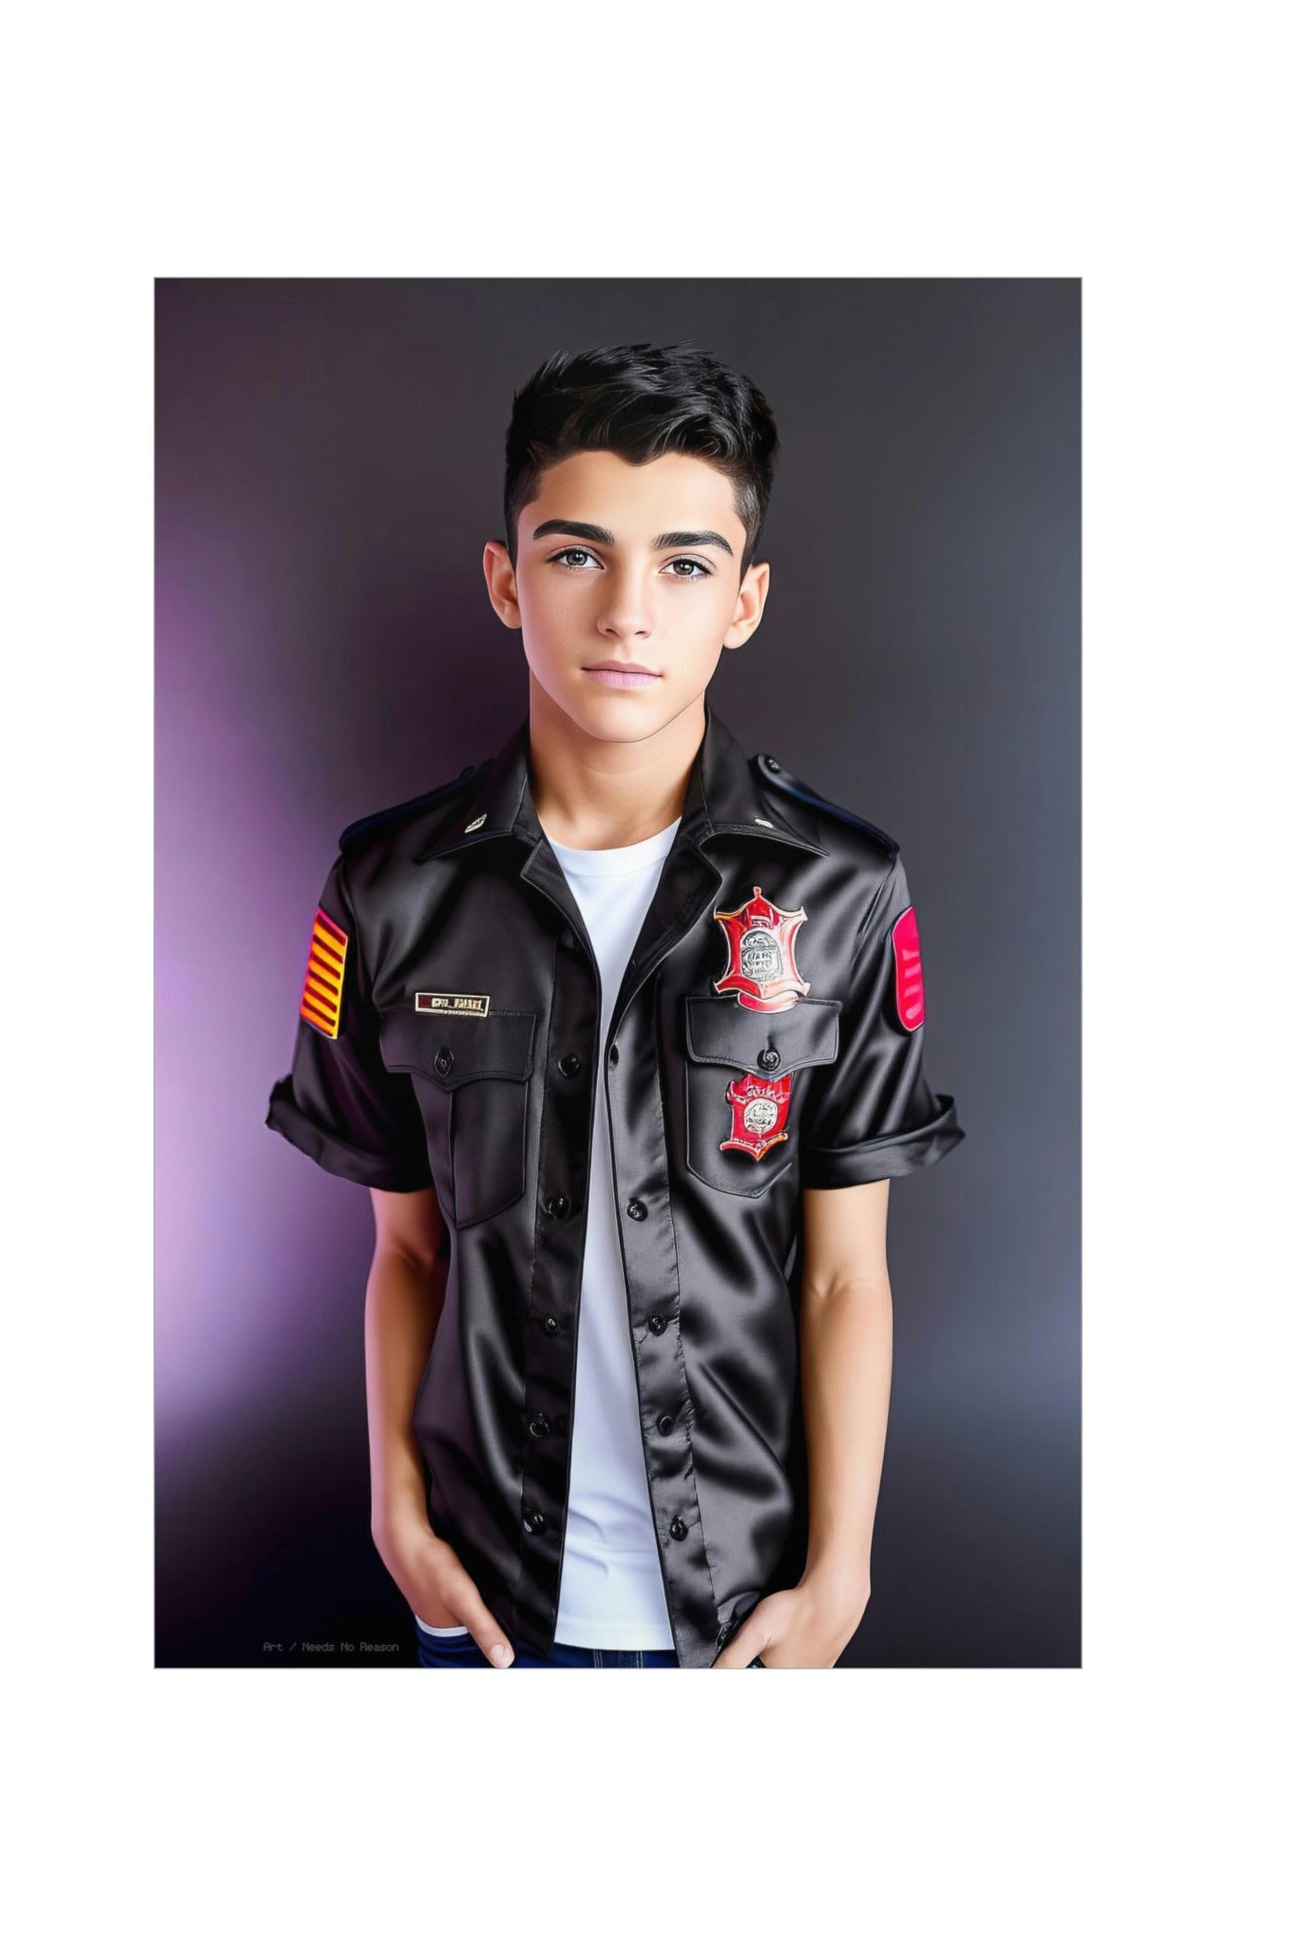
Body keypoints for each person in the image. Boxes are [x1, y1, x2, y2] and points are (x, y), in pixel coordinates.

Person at [267, 341, 964, 1669]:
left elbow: (843, 1274)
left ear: (745, 601)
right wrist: (396, 1520)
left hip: (742, 1607)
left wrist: (839, 1578)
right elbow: (406, 1253)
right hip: (481, 1600)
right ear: (504, 578)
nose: (628, 614)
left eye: (684, 565)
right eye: (578, 554)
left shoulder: (845, 890)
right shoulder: (390, 887)